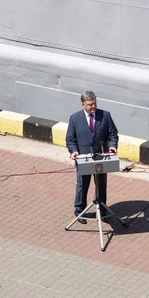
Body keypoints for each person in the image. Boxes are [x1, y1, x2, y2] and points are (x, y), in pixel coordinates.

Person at [65, 91, 119, 224]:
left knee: (101, 184)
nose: (93, 107)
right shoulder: (75, 118)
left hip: (101, 158)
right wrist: (73, 152)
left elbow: (113, 134)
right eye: (89, 105)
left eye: (94, 104)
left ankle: (102, 210)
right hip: (84, 159)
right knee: (82, 185)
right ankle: (79, 211)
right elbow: (70, 139)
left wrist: (112, 146)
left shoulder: (105, 116)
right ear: (83, 104)